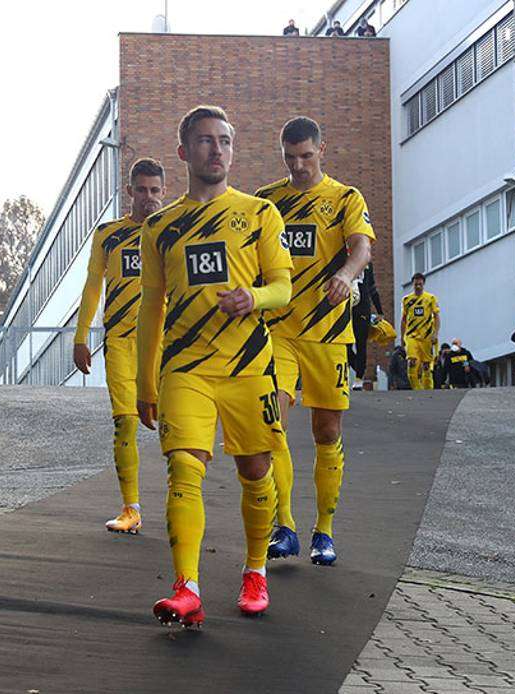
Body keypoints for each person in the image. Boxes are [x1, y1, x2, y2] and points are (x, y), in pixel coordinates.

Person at [137, 105, 292, 627]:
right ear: (184, 151)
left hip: (249, 366)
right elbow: (151, 307)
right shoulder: (159, 225)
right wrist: (144, 381)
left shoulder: (259, 213)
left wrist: (256, 297)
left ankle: (255, 571)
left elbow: (283, 286)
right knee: (183, 467)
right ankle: (186, 588)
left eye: (224, 140)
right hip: (186, 368)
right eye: (205, 141)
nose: (216, 150)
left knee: (255, 471)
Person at [254, 116, 375, 567]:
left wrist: (346, 275)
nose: (298, 165)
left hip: (327, 330)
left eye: (306, 156)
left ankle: (323, 529)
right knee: (271, 425)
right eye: (290, 157)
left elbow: (361, 246)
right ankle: (283, 525)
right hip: (278, 329)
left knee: (327, 431)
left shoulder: (345, 198)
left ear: (322, 150)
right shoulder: (267, 201)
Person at [74, 158, 165, 535]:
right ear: (129, 192)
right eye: (141, 190)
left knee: (175, 427)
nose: (148, 198)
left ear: (164, 191)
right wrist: (81, 337)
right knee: (125, 424)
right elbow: (93, 285)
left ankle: (182, 504)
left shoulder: (172, 230)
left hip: (167, 341)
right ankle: (131, 509)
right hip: (121, 342)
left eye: (155, 190)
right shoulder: (108, 234)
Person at [400, 272, 439, 390]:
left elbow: (437, 317)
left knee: (426, 365)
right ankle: (416, 389)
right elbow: (403, 319)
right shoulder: (407, 300)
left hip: (426, 337)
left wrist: (435, 333)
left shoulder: (430, 298)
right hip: (411, 336)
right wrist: (402, 337)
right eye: (416, 284)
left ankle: (428, 390)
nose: (418, 286)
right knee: (412, 361)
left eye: (420, 284)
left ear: (424, 284)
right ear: (413, 284)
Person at [349, 262, 384, 389]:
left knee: (361, 343)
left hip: (363, 308)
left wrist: (379, 310)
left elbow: (372, 288)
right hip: (346, 308)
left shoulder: (367, 263)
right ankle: (358, 368)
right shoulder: (341, 256)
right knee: (345, 346)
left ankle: (359, 378)